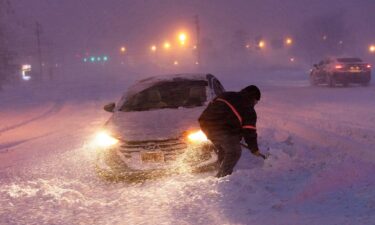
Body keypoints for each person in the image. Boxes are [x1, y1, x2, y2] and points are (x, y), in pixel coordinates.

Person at [198, 85, 265, 178]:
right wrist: (254, 149)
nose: (255, 104)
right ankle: (222, 178)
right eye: (256, 102)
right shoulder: (248, 108)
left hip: (205, 124)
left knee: (224, 150)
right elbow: (249, 132)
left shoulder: (226, 95)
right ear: (253, 98)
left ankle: (220, 171)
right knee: (234, 152)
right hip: (221, 128)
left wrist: (236, 136)